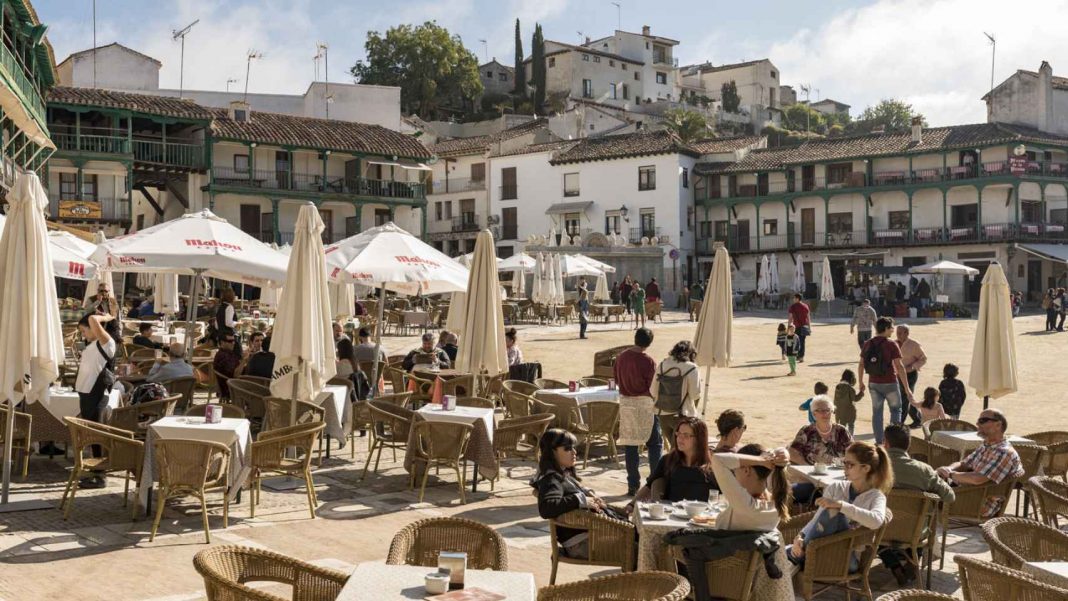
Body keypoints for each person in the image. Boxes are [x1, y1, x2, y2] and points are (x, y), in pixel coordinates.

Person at [707, 444, 796, 601]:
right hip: (748, 584)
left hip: (718, 579)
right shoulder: (775, 506)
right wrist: (780, 455)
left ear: (746, 470)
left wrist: (760, 460)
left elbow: (718, 459)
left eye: (736, 471)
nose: (734, 475)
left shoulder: (744, 504)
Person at [787, 441, 892, 569]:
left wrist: (841, 506)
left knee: (834, 512)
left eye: (850, 464)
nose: (845, 468)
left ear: (866, 468)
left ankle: (796, 556)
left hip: (847, 559)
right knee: (828, 512)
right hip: (817, 551)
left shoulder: (876, 496)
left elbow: (876, 521)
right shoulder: (835, 487)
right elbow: (817, 519)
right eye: (844, 463)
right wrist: (800, 537)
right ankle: (799, 554)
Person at [878, 424, 955, 585]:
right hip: (914, 531)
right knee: (920, 518)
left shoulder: (874, 467)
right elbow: (949, 496)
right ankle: (912, 563)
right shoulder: (924, 470)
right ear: (909, 444)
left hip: (880, 529)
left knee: (873, 523)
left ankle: (894, 565)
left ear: (886, 443)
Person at [531, 429, 611, 560]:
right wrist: (581, 499)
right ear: (552, 452)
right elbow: (547, 507)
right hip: (583, 543)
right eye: (567, 448)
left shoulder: (561, 472)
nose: (574, 452)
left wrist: (586, 492)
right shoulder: (551, 478)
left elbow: (568, 488)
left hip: (589, 536)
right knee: (638, 548)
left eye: (574, 447)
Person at [936, 409, 1024, 518]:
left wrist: (950, 475)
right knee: (922, 486)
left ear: (998, 424)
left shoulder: (1003, 452)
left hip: (979, 504)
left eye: (983, 420)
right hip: (966, 495)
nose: (977, 424)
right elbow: (963, 463)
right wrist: (948, 468)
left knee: (923, 498)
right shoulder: (987, 445)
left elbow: (977, 479)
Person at [614, 327, 662, 496]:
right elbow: (653, 386)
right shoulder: (648, 361)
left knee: (630, 444)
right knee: (655, 443)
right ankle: (655, 481)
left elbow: (617, 379)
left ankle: (632, 484)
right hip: (644, 404)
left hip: (626, 403)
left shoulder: (621, 358)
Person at [74, 312, 118, 489]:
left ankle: (100, 477)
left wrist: (107, 317)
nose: (83, 335)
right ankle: (94, 472)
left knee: (97, 436)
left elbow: (93, 319)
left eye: (84, 331)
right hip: (87, 393)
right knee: (91, 436)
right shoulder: (93, 343)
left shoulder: (107, 343)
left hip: (97, 393)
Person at [629, 417, 716, 504]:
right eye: (678, 434)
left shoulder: (713, 464)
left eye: (685, 435)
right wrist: (631, 505)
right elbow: (649, 486)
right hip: (672, 513)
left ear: (699, 439)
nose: (680, 438)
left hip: (703, 515)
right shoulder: (668, 460)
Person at [858, 317, 914, 444]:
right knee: (896, 410)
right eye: (891, 327)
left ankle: (879, 441)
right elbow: (899, 367)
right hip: (890, 382)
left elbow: (861, 364)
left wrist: (861, 382)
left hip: (873, 382)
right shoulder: (891, 344)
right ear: (886, 328)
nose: (893, 330)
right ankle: (893, 442)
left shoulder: (868, 343)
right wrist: (906, 388)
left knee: (877, 413)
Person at [789, 396, 853, 467]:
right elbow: (792, 453)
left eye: (828, 410)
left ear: (832, 411)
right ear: (814, 413)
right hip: (809, 475)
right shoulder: (807, 431)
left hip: (836, 475)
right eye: (820, 410)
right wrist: (809, 468)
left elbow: (854, 453)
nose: (825, 413)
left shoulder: (841, 431)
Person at [651, 341, 701, 417]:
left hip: (662, 413)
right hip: (683, 413)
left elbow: (653, 391)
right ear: (692, 354)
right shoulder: (692, 368)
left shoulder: (663, 364)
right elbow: (695, 395)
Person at [896, 324, 927, 428]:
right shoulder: (894, 343)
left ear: (907, 333)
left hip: (910, 375)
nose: (898, 335)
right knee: (905, 397)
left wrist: (913, 366)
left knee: (905, 398)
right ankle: (918, 419)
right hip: (897, 375)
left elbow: (923, 359)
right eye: (897, 332)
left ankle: (900, 424)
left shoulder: (914, 345)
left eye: (900, 333)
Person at [833, 369, 865, 436]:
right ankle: (850, 439)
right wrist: (861, 392)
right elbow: (855, 399)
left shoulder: (838, 387)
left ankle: (840, 439)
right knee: (851, 425)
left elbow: (835, 400)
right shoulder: (850, 389)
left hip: (839, 412)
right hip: (849, 412)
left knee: (841, 427)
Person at [212, 332, 243, 398]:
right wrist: (244, 361)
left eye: (234, 341)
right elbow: (236, 375)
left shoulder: (228, 353)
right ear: (222, 342)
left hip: (234, 384)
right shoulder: (223, 356)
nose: (233, 343)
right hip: (231, 388)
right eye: (230, 341)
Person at [787, 294, 811, 362]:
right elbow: (808, 317)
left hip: (796, 326)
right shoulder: (805, 306)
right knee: (802, 342)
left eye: (794, 298)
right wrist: (809, 327)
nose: (793, 299)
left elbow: (790, 318)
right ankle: (801, 357)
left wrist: (788, 327)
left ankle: (797, 355)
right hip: (804, 326)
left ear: (797, 299)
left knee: (796, 341)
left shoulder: (793, 307)